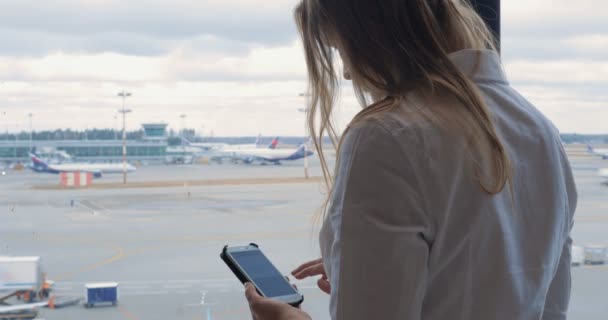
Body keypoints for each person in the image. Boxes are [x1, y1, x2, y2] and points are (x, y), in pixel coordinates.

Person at [245, 0, 577, 319]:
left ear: (371, 35)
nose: (346, 73)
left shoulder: (386, 137)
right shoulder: (541, 131)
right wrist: (366, 275)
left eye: (340, 49)